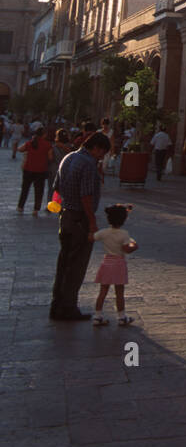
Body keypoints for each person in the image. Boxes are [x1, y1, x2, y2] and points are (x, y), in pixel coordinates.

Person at [49, 131, 111, 321]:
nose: (102, 157)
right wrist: (92, 222)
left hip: (65, 216)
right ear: (96, 148)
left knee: (64, 261)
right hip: (79, 219)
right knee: (76, 264)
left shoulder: (69, 157)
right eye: (102, 153)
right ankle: (68, 307)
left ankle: (57, 304)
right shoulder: (88, 164)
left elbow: (57, 186)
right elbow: (86, 196)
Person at [92, 204, 138, 326]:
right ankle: (121, 317)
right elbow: (127, 249)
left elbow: (92, 238)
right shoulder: (124, 234)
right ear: (123, 220)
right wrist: (134, 245)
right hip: (119, 264)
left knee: (103, 291)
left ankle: (97, 316)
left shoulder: (103, 232)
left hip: (106, 262)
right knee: (119, 292)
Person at [16, 122, 54, 215]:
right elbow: (50, 158)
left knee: (25, 189)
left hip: (28, 169)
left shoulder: (30, 143)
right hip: (40, 170)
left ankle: (20, 207)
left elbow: (20, 149)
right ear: (44, 135)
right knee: (39, 191)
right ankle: (36, 210)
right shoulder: (47, 144)